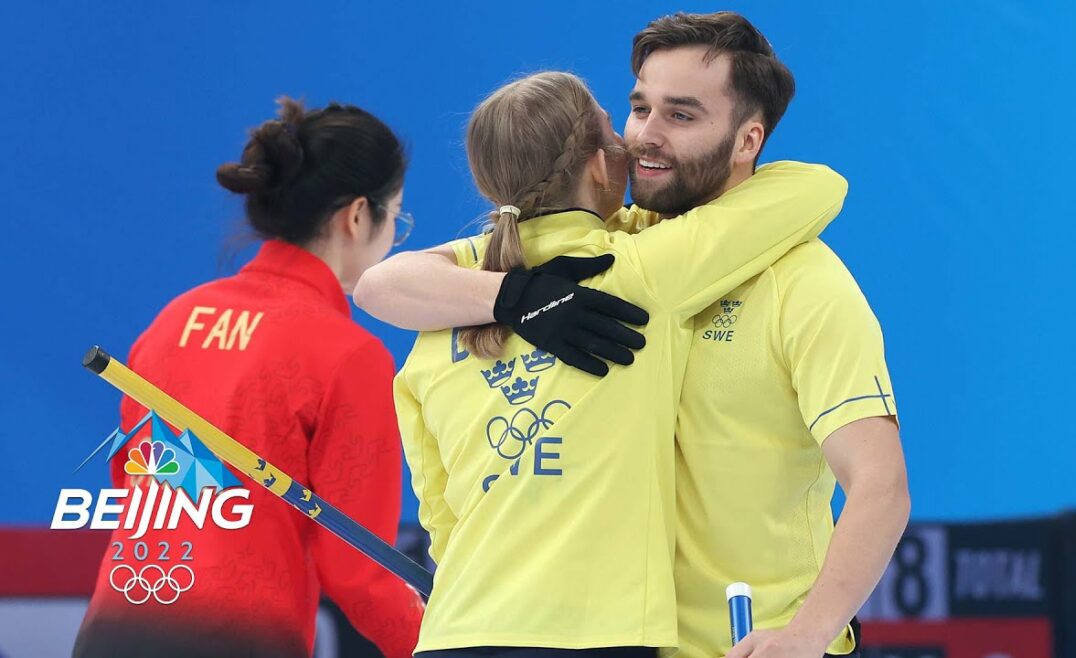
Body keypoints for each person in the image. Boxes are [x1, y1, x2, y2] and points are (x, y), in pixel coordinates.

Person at [355, 12, 910, 658]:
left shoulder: (803, 282)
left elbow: (881, 485)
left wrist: (807, 636)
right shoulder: (603, 253)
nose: (644, 135)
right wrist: (515, 297)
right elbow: (385, 284)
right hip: (615, 644)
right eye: (638, 107)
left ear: (746, 140)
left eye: (681, 115)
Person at [73, 97, 423, 658]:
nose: (394, 236)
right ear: (358, 216)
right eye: (397, 217)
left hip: (113, 630)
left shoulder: (173, 321)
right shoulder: (348, 354)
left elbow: (137, 483)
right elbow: (358, 567)